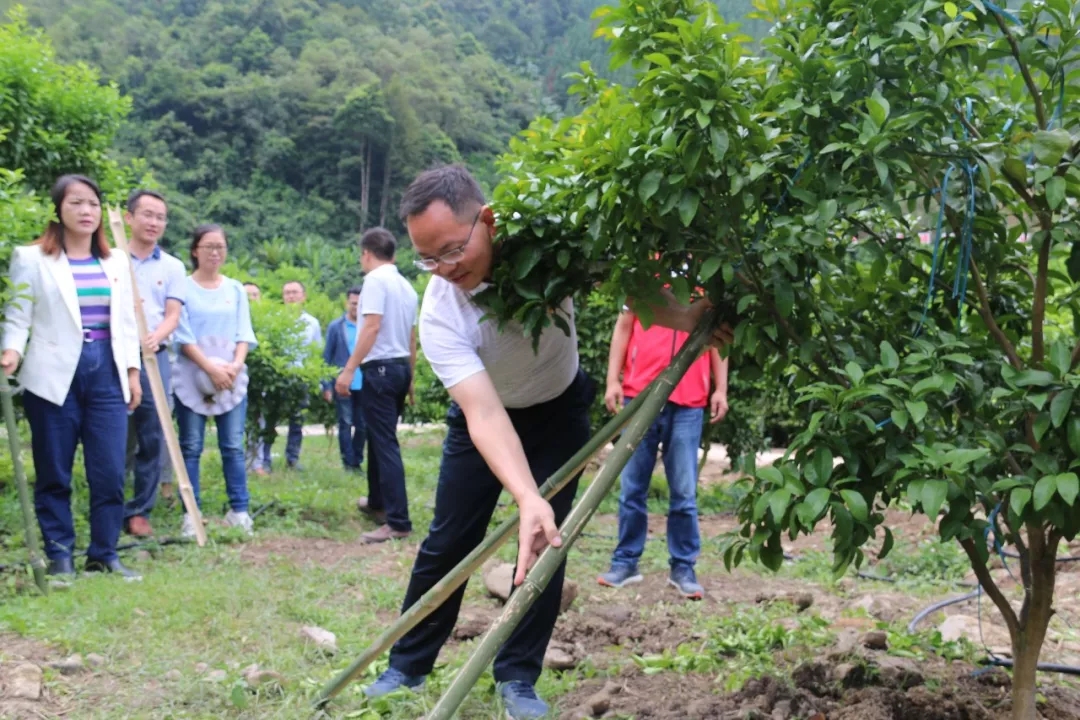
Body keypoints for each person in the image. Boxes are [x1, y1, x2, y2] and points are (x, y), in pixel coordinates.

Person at [363, 164, 726, 719]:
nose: (444, 269)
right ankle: (407, 665)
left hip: (559, 410)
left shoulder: (548, 242)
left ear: (487, 220)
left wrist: (691, 314)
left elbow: (628, 289)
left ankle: (517, 678)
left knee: (543, 546)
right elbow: (483, 415)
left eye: (453, 250)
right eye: (428, 258)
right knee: (450, 539)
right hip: (486, 420)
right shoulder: (439, 309)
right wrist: (525, 493)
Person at [1, 174, 143, 580]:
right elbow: (18, 314)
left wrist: (132, 373)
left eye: (93, 204)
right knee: (54, 471)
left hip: (107, 374)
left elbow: (127, 322)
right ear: (58, 210)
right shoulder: (31, 258)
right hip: (51, 374)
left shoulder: (115, 260)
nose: (86, 211)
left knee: (110, 471)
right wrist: (11, 351)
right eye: (76, 203)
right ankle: (60, 556)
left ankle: (104, 553)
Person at [597, 309, 728, 600]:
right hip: (640, 395)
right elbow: (624, 326)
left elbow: (720, 338)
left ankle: (683, 568)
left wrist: (721, 388)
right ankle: (625, 563)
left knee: (684, 493)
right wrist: (612, 380)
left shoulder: (706, 281)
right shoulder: (645, 274)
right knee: (632, 488)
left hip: (689, 401)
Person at [172, 224, 257, 539]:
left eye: (220, 246)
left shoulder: (234, 288)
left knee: (233, 445)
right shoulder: (181, 287)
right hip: (192, 376)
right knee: (191, 446)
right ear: (195, 250)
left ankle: (240, 510)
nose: (215, 252)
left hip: (230, 379)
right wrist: (210, 368)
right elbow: (181, 336)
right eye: (208, 246)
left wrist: (234, 366)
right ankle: (190, 515)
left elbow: (243, 333)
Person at [335, 228, 418, 544]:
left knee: (384, 442)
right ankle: (377, 502)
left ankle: (398, 522)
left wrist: (349, 370)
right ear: (393, 254)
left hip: (379, 370)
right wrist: (409, 379)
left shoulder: (374, 281)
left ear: (366, 254)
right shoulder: (407, 287)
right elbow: (411, 338)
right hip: (397, 369)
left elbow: (370, 327)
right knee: (378, 436)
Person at [122, 189, 186, 538]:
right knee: (113, 434)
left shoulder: (172, 266)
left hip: (153, 358)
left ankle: (139, 511)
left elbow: (172, 315)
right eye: (147, 214)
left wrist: (156, 335)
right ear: (129, 218)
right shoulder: (111, 259)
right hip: (114, 357)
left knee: (151, 435)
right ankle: (108, 506)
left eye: (160, 217)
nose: (154, 222)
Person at [322, 286, 366, 475]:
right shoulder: (336, 327)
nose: (356, 307)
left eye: (360, 303)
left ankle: (357, 460)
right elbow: (327, 357)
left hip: (365, 384)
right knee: (345, 424)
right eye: (353, 303)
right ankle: (348, 463)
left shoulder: (368, 326)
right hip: (342, 385)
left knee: (363, 426)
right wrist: (326, 385)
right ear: (347, 303)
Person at [281, 280, 322, 470]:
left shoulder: (312, 323)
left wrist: (317, 380)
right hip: (279, 377)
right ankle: (262, 458)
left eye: (295, 292)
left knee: (297, 420)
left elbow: (316, 352)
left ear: (303, 296)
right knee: (268, 419)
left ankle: (292, 458)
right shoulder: (276, 319)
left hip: (302, 378)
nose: (291, 296)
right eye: (287, 293)